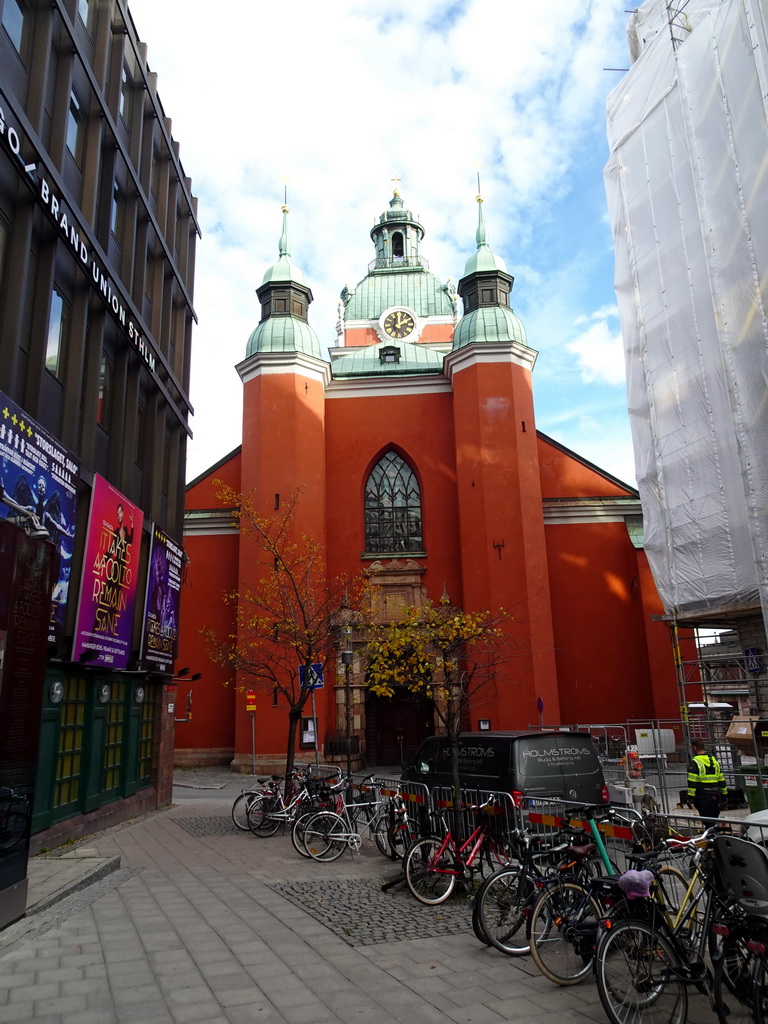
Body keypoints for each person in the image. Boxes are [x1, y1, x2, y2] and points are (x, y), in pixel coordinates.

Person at [687, 739, 728, 819]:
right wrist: (725, 794)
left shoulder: (695, 762)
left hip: (703, 796)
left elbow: (692, 782)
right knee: (714, 819)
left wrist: (690, 798)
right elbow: (722, 780)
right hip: (716, 795)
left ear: (694, 747)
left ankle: (711, 831)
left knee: (708, 821)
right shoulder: (714, 760)